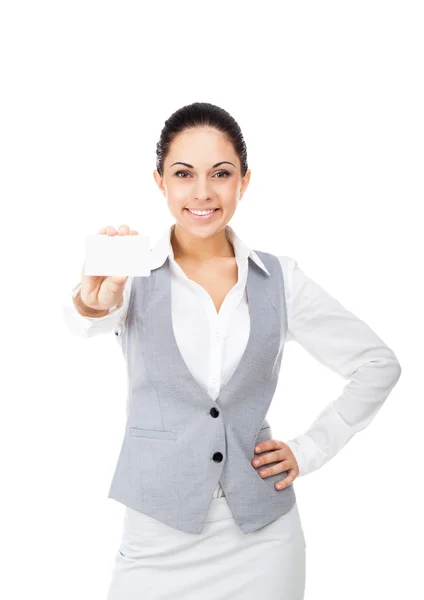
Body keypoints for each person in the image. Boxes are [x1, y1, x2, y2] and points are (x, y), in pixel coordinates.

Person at [63, 102, 402, 600]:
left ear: (244, 181)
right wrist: (93, 302)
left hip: (262, 538)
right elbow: (84, 319)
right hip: (157, 535)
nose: (202, 192)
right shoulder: (129, 267)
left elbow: (378, 365)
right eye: (184, 174)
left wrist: (307, 451)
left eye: (221, 174)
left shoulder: (280, 278)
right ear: (160, 181)